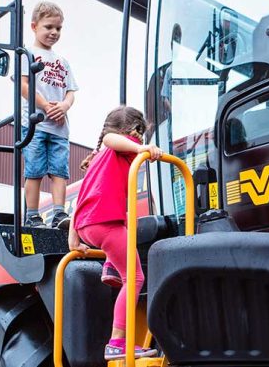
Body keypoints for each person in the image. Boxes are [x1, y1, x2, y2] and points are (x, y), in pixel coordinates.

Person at [68, 106, 163, 360]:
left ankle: (111, 267)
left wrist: (73, 237)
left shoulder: (98, 159)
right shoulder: (117, 146)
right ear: (133, 131)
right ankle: (117, 342)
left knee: (129, 225)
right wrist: (140, 148)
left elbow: (81, 198)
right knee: (135, 278)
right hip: (104, 223)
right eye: (140, 136)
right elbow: (111, 138)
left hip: (89, 225)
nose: (141, 142)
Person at [21, 1, 78, 229]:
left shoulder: (62, 62)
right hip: (36, 125)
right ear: (34, 26)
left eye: (58, 28)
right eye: (48, 27)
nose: (54, 32)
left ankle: (58, 213)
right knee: (34, 171)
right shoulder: (27, 54)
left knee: (59, 172)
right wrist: (46, 106)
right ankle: (33, 215)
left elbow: (71, 91)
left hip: (59, 128)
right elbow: (23, 85)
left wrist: (63, 106)